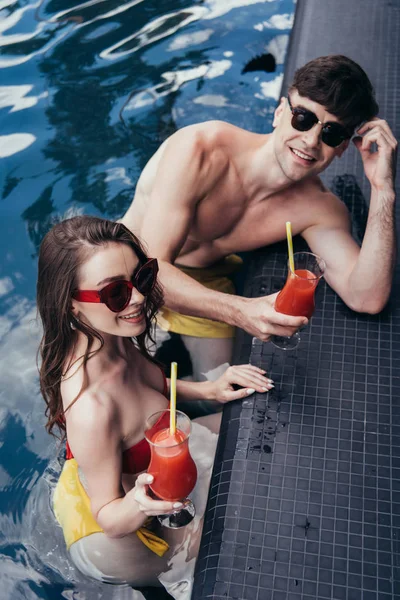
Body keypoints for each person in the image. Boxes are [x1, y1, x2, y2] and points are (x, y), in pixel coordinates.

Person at [121, 54, 397, 385]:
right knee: (116, 397)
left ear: (342, 148)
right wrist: (240, 310)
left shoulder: (318, 208)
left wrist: (383, 189)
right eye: (303, 118)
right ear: (281, 111)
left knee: (223, 404)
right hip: (128, 272)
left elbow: (366, 297)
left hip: (204, 282)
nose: (311, 141)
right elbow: (148, 271)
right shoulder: (201, 151)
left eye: (332, 133)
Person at [36, 215, 273, 595]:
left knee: (249, 430)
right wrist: (143, 502)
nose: (140, 297)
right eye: (115, 292)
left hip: (139, 473)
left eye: (142, 277)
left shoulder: (109, 335)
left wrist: (209, 389)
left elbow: (147, 386)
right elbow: (109, 517)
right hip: (117, 536)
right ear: (72, 305)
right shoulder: (92, 407)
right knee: (231, 546)